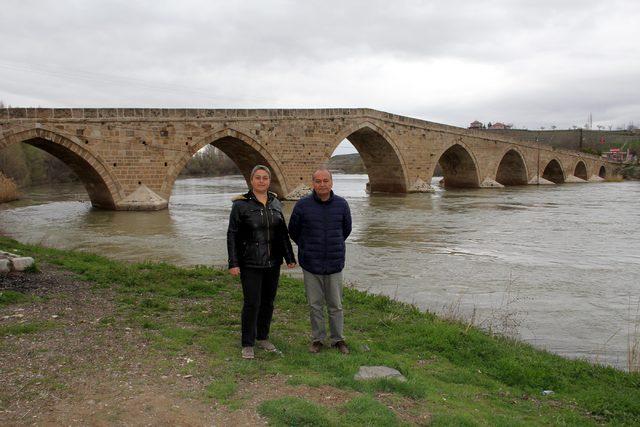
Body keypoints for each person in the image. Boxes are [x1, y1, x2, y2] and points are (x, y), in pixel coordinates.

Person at [227, 165, 296, 359]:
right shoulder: (240, 205)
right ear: (251, 180)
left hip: (273, 262)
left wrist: (289, 257)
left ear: (269, 181)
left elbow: (282, 233)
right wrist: (233, 262)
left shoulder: (275, 203)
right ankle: (247, 343)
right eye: (258, 178)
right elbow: (232, 235)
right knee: (252, 303)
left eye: (265, 178)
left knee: (268, 302)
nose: (261, 181)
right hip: (250, 262)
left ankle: (263, 337)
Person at [288, 168, 352, 354]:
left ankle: (338, 339)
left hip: (334, 262)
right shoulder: (302, 205)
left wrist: (333, 245)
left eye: (325, 181)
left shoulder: (342, 205)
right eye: (318, 181)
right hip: (311, 263)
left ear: (331, 183)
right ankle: (318, 339)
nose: (322, 184)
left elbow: (345, 230)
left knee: (336, 305)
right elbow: (293, 231)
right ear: (313, 184)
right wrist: (307, 246)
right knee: (315, 304)